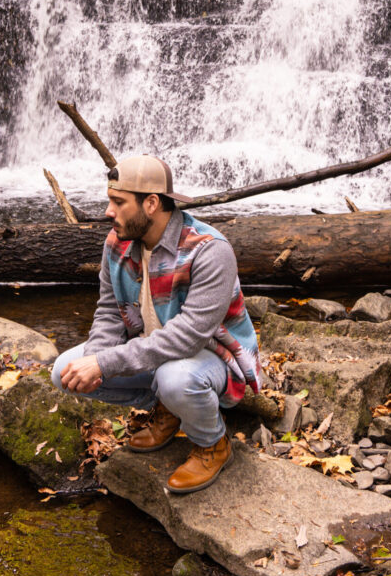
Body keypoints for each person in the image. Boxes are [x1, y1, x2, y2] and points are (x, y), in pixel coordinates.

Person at [50, 153, 261, 493]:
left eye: (118, 202)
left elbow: (187, 339)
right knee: (64, 371)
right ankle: (167, 408)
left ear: (150, 203)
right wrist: (96, 358)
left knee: (174, 377)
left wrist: (105, 362)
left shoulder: (209, 251)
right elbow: (108, 310)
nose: (108, 212)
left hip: (214, 358)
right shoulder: (116, 243)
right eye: (109, 201)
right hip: (152, 350)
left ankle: (213, 444)